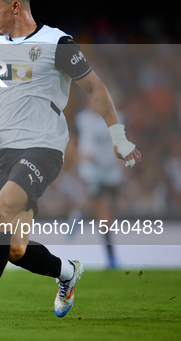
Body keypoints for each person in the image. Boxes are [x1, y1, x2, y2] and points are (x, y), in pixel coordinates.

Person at [0, 0, 142, 322]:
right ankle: (67, 272)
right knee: (15, 248)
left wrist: (119, 138)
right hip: (5, 150)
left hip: (43, 147)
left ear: (15, 6)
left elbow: (96, 90)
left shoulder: (58, 44)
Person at [75, 97, 125, 268]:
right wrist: (81, 156)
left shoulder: (118, 118)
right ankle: (111, 256)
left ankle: (79, 214)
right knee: (104, 209)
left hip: (112, 174)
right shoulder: (82, 119)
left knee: (105, 211)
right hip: (93, 172)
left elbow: (125, 140)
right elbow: (73, 143)